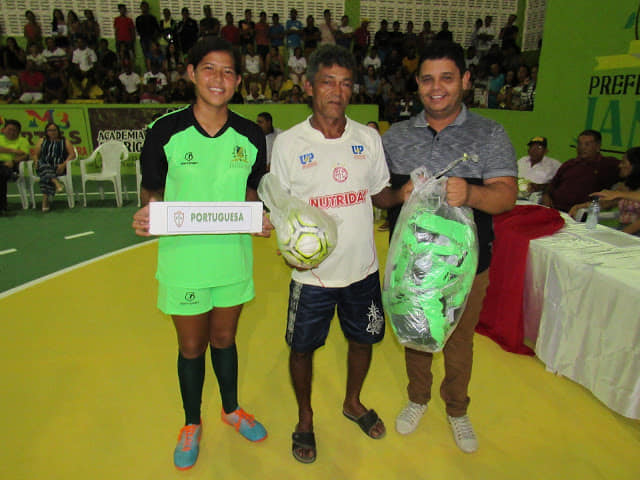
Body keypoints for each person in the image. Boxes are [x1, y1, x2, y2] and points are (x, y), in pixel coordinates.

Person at [131, 37, 270, 471]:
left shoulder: (251, 135)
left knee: (225, 340)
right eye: (209, 68)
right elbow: (151, 191)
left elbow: (251, 193)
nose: (218, 79)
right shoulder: (165, 131)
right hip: (184, 262)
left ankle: (231, 409)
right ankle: (192, 423)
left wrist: (258, 216)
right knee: (191, 346)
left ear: (239, 81)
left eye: (228, 71)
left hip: (232, 259)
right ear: (191, 73)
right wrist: (148, 212)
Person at [269, 44, 411, 464]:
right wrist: (288, 249)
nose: (337, 91)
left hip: (362, 270)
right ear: (309, 87)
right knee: (301, 349)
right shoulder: (289, 144)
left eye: (346, 83)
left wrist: (404, 193)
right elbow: (279, 206)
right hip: (311, 276)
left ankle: (352, 401)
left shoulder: (367, 138)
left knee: (363, 340)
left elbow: (379, 194)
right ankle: (305, 417)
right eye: (328, 82)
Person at [382, 41, 517, 453]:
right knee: (415, 332)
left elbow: (506, 196)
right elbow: (379, 195)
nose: (436, 87)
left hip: (466, 268)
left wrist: (471, 194)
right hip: (411, 267)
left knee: (458, 340)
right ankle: (418, 398)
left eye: (446, 78)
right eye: (427, 79)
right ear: (417, 83)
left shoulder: (490, 133)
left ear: (465, 80)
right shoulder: (397, 136)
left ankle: (457, 409)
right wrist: (399, 193)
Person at [542, 130, 620, 212]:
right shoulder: (569, 163)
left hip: (578, 212)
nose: (582, 148)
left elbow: (627, 173)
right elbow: (552, 185)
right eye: (579, 144)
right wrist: (546, 196)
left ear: (598, 146)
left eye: (587, 144)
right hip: (553, 209)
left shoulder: (607, 164)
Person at [570, 147, 640, 235]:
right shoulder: (624, 186)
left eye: (623, 162)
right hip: (622, 229)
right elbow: (606, 203)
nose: (620, 165)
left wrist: (621, 235)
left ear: (635, 166)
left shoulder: (622, 193)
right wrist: (580, 206)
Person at [33, 122, 75, 212]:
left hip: (58, 166)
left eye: (54, 130)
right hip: (42, 165)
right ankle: (56, 183)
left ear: (58, 131)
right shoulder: (42, 140)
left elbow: (72, 155)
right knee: (44, 166)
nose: (52, 132)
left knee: (45, 175)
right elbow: (35, 154)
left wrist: (63, 165)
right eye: (50, 130)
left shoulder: (64, 141)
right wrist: (36, 161)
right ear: (46, 132)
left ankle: (45, 200)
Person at [517, 136, 560, 202]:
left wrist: (539, 187)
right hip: (517, 194)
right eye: (532, 147)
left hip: (538, 197)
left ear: (546, 151)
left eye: (539, 148)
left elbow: (560, 183)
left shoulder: (554, 165)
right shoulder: (521, 161)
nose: (534, 150)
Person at [0, 119, 29, 214]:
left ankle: (2, 207)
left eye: (14, 130)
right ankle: (2, 207)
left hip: (11, 165)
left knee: (1, 174)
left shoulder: (22, 141)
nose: (12, 132)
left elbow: (25, 155)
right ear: (4, 129)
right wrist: (14, 151)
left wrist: (13, 161)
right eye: (9, 129)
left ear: (18, 132)